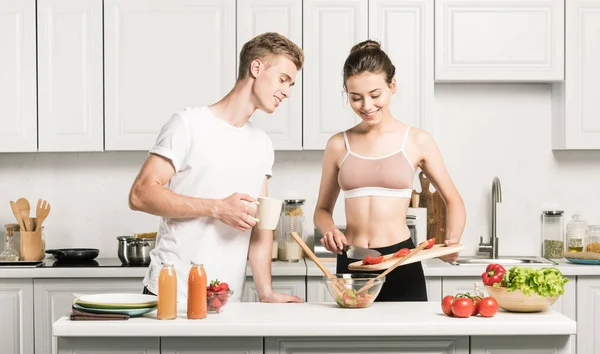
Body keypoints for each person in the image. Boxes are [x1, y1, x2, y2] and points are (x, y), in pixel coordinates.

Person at [129, 32, 304, 304]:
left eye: (291, 84)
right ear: (256, 68)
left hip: (225, 300)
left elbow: (262, 226)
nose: (287, 92)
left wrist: (266, 292)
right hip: (173, 295)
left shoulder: (262, 144)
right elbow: (140, 194)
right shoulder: (187, 125)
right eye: (283, 79)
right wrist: (216, 208)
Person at [314, 40, 466, 302]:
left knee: (408, 343)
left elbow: (453, 200)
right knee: (349, 340)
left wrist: (452, 241)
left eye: (375, 95)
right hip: (352, 262)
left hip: (401, 260)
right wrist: (329, 230)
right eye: (355, 97)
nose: (366, 105)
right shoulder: (338, 145)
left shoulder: (417, 140)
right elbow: (322, 210)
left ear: (392, 86)